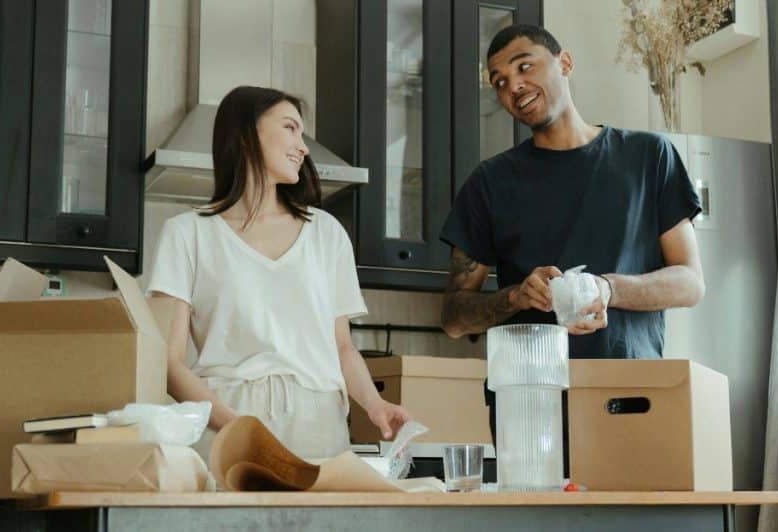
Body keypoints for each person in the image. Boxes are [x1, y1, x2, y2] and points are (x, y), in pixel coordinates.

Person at [439, 25, 705, 472]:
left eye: (525, 66)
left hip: (630, 398)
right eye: (500, 81)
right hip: (528, 408)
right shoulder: (489, 184)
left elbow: (690, 283)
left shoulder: (648, 158)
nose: (514, 85)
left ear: (564, 63)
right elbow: (451, 317)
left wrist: (607, 288)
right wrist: (515, 296)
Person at [149, 86, 409, 461]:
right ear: (246, 134)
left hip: (318, 427)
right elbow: (168, 363)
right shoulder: (187, 234)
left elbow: (342, 347)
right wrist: (236, 426)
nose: (302, 147)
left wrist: (375, 404)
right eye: (290, 128)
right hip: (227, 424)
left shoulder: (326, 232)